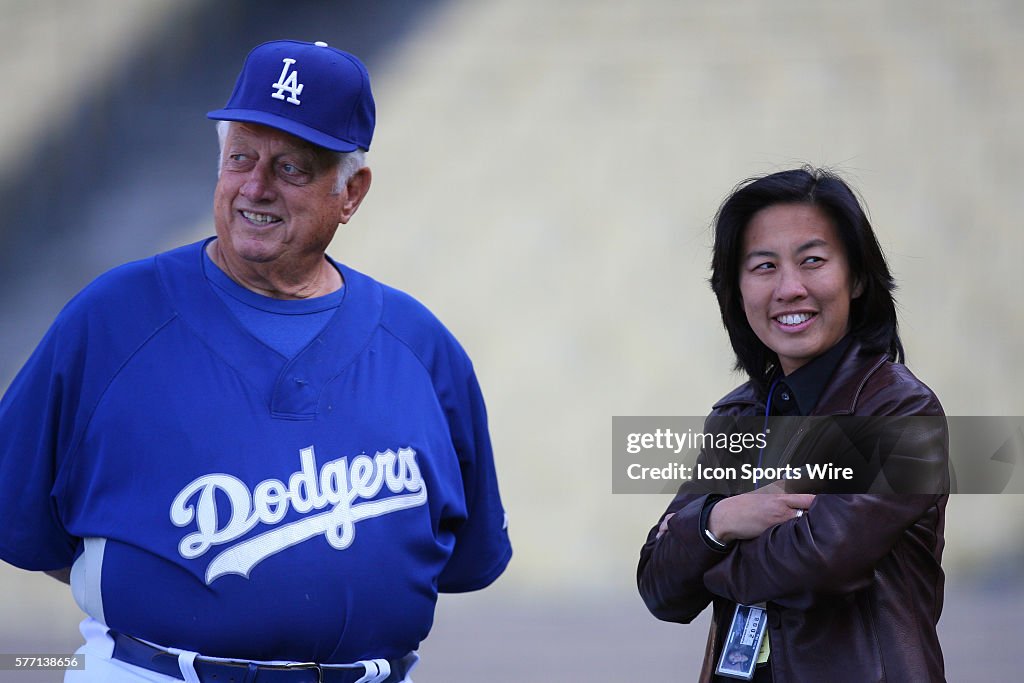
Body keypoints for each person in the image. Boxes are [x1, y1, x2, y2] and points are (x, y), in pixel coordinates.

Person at [0, 39, 511, 683]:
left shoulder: (422, 347)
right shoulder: (112, 319)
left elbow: (462, 557)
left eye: (292, 167)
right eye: (240, 156)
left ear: (350, 192)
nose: (255, 186)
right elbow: (23, 519)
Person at [636, 167, 948, 682]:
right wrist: (723, 519)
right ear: (735, 290)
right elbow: (660, 586)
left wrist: (700, 547)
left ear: (858, 277)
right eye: (763, 266)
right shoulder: (736, 416)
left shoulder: (899, 411)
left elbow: (819, 565)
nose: (789, 288)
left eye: (812, 261)